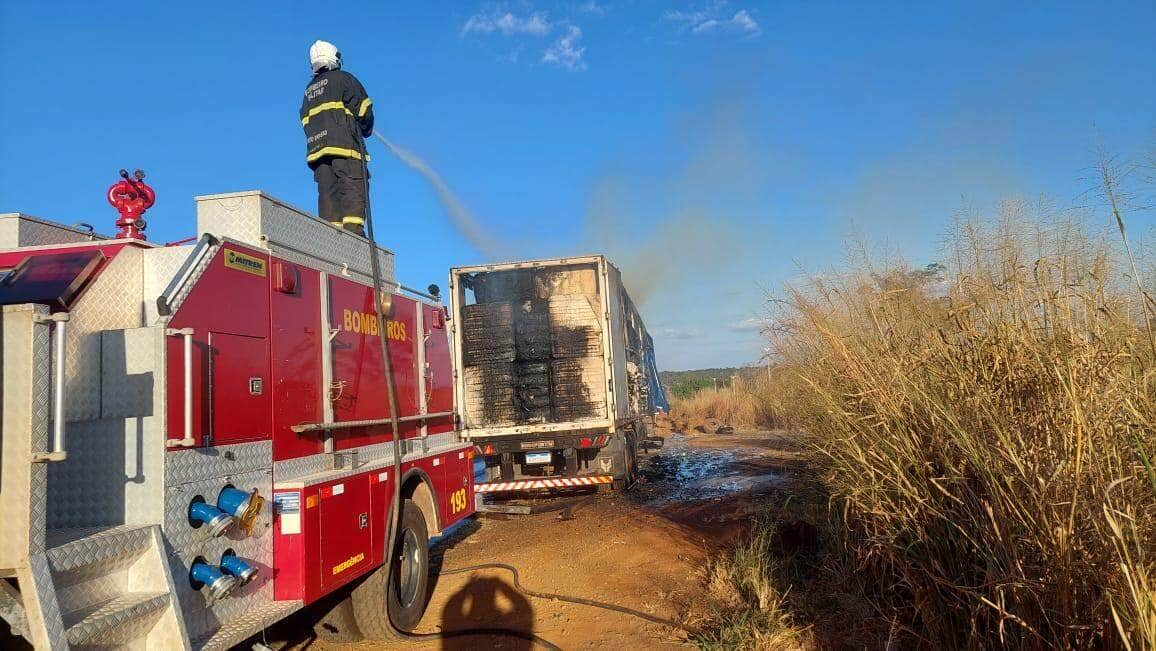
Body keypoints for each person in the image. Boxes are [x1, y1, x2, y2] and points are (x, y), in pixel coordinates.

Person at [300, 40, 374, 236]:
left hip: (319, 153)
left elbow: (305, 120)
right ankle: (353, 233)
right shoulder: (343, 79)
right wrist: (365, 128)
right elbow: (364, 110)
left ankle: (331, 235)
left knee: (327, 193)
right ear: (333, 57)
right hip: (345, 147)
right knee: (352, 186)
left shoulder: (308, 91)